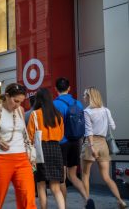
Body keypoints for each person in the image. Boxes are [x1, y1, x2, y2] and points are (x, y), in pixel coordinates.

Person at [0, 83, 36, 209]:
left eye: (21, 102)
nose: (17, 105)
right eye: (15, 101)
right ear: (7, 96)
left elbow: (23, 133)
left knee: (28, 198)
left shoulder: (21, 110)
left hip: (22, 159)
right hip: (2, 159)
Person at [81, 87, 127, 209]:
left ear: (90, 96)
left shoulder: (87, 112)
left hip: (91, 144)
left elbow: (89, 131)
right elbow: (113, 126)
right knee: (106, 177)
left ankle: (87, 202)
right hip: (103, 143)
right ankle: (120, 201)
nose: (83, 97)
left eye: (85, 95)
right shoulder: (106, 110)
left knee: (85, 175)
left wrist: (91, 147)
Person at [53, 77, 95, 209]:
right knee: (72, 175)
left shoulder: (55, 104)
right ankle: (87, 199)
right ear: (69, 88)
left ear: (56, 89)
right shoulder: (78, 103)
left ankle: (63, 206)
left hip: (61, 143)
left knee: (62, 178)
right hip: (75, 142)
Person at [28, 87, 65, 209]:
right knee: (55, 187)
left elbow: (30, 136)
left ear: (38, 99)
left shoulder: (35, 114)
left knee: (41, 185)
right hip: (56, 149)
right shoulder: (58, 115)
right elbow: (61, 135)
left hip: (40, 151)